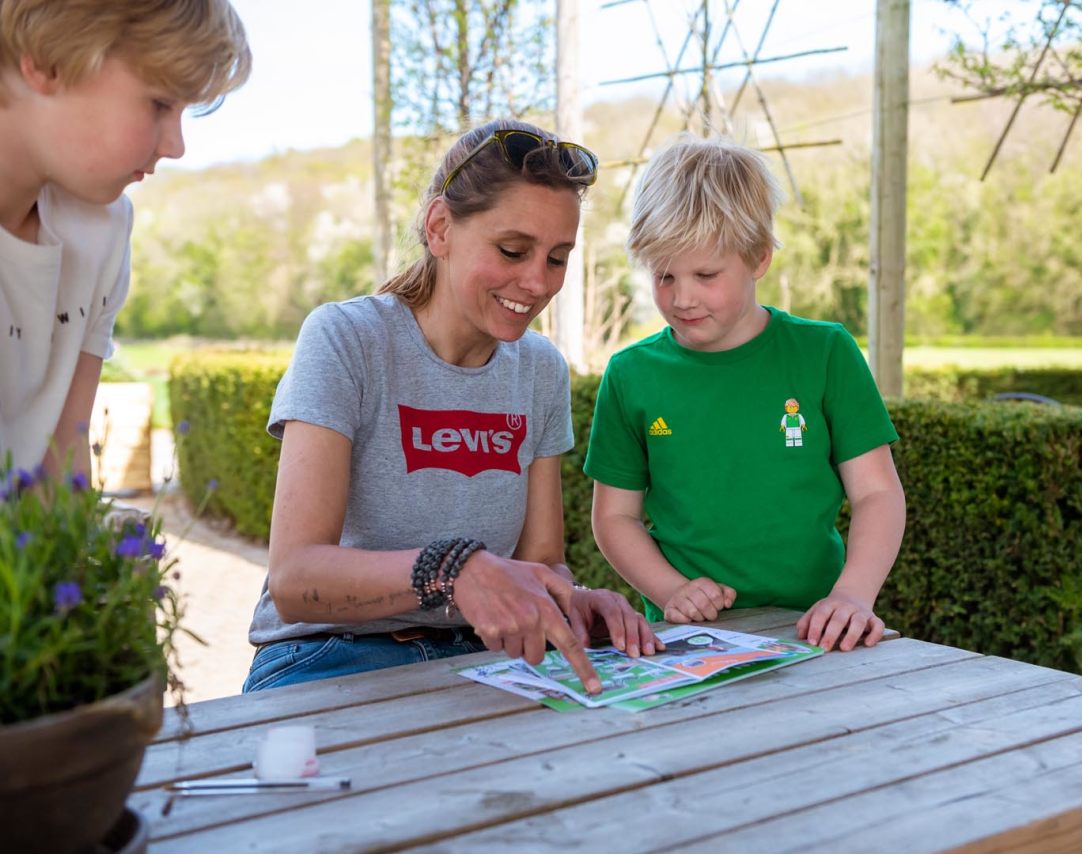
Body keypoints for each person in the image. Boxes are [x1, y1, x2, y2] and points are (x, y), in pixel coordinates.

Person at [245, 119, 658, 694]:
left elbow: (542, 561)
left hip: (482, 658)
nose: (537, 283)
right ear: (440, 228)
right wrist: (453, 570)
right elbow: (294, 580)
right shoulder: (346, 339)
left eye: (557, 258)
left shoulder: (540, 368)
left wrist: (574, 601)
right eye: (513, 250)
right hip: (330, 654)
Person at [586, 134, 906, 652]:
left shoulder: (825, 353)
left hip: (818, 630)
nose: (682, 297)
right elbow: (614, 517)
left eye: (706, 274)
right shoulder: (630, 374)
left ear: (759, 259)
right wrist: (671, 591)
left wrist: (852, 595)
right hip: (687, 641)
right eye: (664, 275)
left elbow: (877, 494)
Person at [0, 0, 252, 476]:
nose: (176, 146)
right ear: (49, 60)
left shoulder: (103, 229)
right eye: (159, 103)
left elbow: (63, 467)